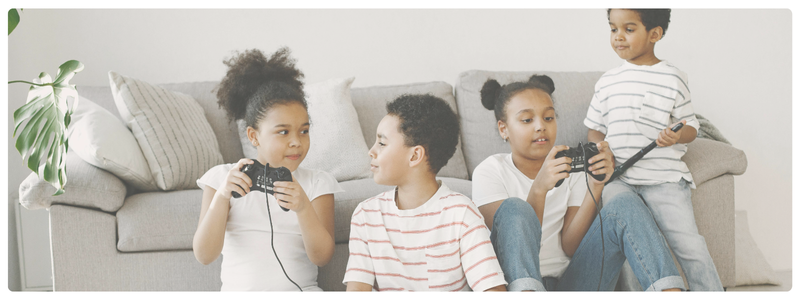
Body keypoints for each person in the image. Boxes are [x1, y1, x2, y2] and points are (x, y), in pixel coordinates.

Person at [472, 74, 685, 291]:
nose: (540, 127)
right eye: (527, 120)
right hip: (518, 283)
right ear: (503, 129)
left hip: (572, 284)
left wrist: (595, 185)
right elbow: (510, 250)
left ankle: (669, 291)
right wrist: (539, 188)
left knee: (624, 204)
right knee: (515, 208)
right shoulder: (489, 171)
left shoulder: (572, 169)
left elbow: (571, 246)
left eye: (548, 118)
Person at [584, 9, 722, 291]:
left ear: (655, 34)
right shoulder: (607, 82)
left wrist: (677, 135)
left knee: (689, 245)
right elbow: (595, 130)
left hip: (665, 181)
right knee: (629, 245)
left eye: (629, 29)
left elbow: (691, 128)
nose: (618, 36)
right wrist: (602, 148)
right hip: (619, 181)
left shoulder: (673, 78)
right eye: (613, 29)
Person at [192, 48, 343, 291]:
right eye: (283, 132)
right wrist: (221, 197)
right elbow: (204, 255)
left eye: (304, 131)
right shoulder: (221, 178)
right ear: (253, 136)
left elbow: (322, 257)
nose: (296, 141)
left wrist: (303, 207)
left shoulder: (318, 183)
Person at [343, 94, 507, 292]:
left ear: (414, 155)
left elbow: (493, 291)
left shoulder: (461, 213)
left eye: (382, 143)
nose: (371, 151)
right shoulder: (365, 215)